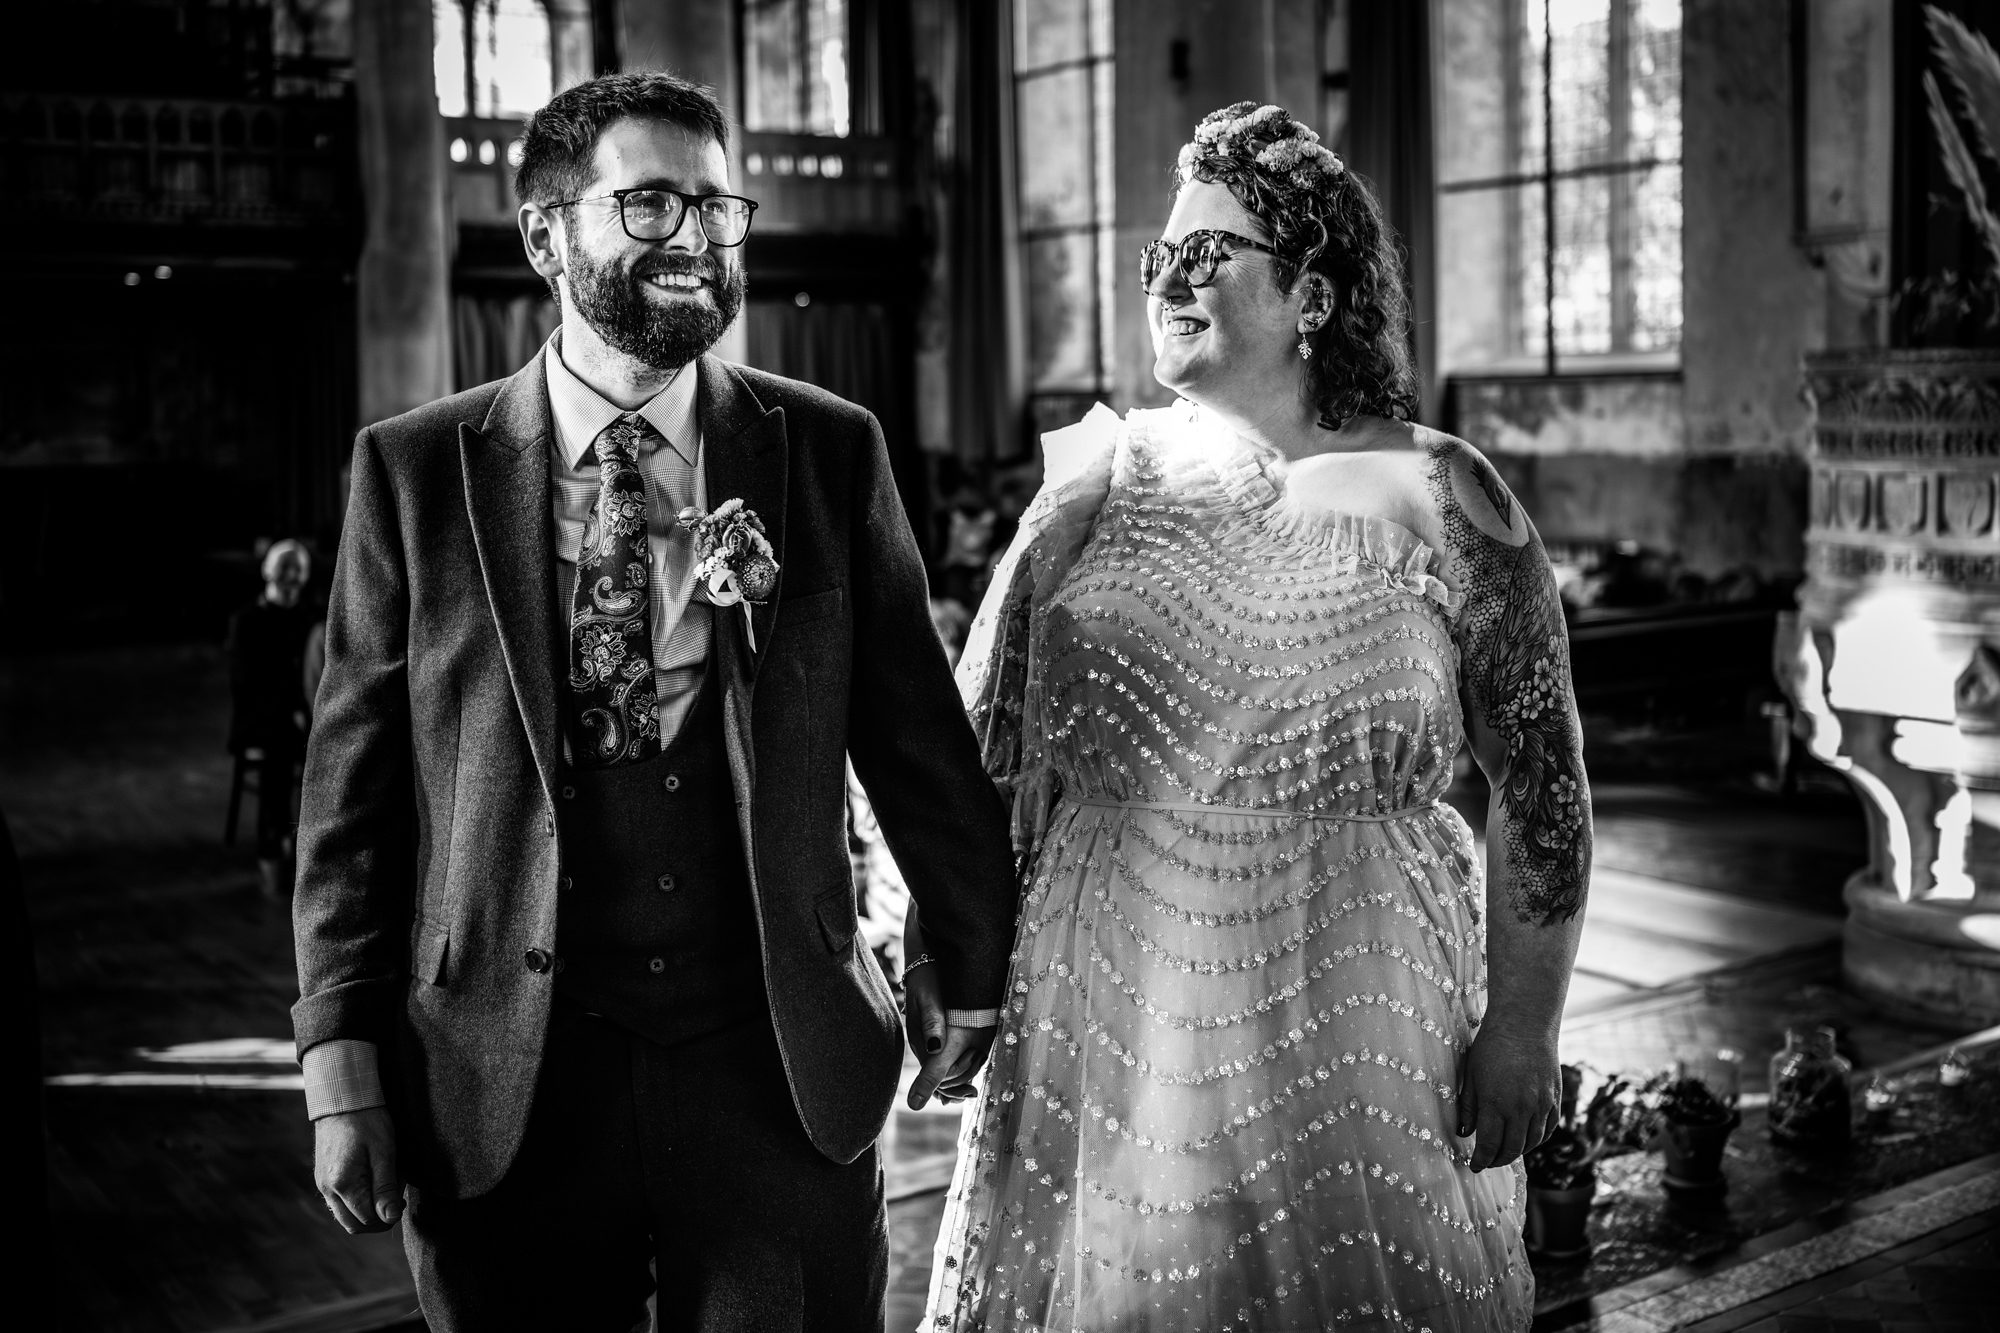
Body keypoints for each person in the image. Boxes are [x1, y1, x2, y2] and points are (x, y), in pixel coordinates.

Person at [291, 72, 1018, 1331]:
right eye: (646, 204)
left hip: (775, 1066)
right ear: (544, 235)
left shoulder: (826, 447)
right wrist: (339, 1067)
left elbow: (916, 741)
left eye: (714, 207)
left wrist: (971, 957)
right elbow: (350, 808)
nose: (691, 237)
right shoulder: (411, 473)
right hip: (502, 1078)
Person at [922, 103, 1591, 1332]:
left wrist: (1523, 1025)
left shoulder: (1444, 491)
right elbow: (982, 750)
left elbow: (1541, 784)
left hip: (1360, 997)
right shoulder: (1092, 481)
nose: (1169, 278)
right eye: (1159, 257)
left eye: (1209, 252)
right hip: (1111, 1004)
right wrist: (950, 958)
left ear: (1311, 297)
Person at [226, 538, 317, 898]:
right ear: (268, 571)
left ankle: (308, 848)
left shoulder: (308, 619)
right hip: (259, 718)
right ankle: (273, 850)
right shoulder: (245, 622)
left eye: (298, 569)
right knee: (278, 749)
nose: (291, 576)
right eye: (284, 568)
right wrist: (290, 711)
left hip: (300, 717)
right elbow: (247, 685)